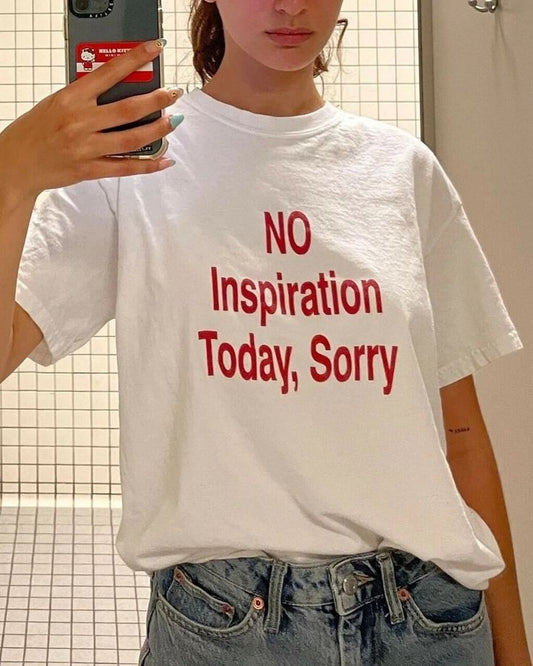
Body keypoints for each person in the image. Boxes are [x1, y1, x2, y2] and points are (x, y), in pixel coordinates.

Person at [0, 1, 529, 664]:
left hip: (430, 620)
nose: (290, 4)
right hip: (227, 629)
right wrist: (10, 173)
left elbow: (462, 435)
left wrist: (515, 650)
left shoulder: (403, 169)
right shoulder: (131, 167)